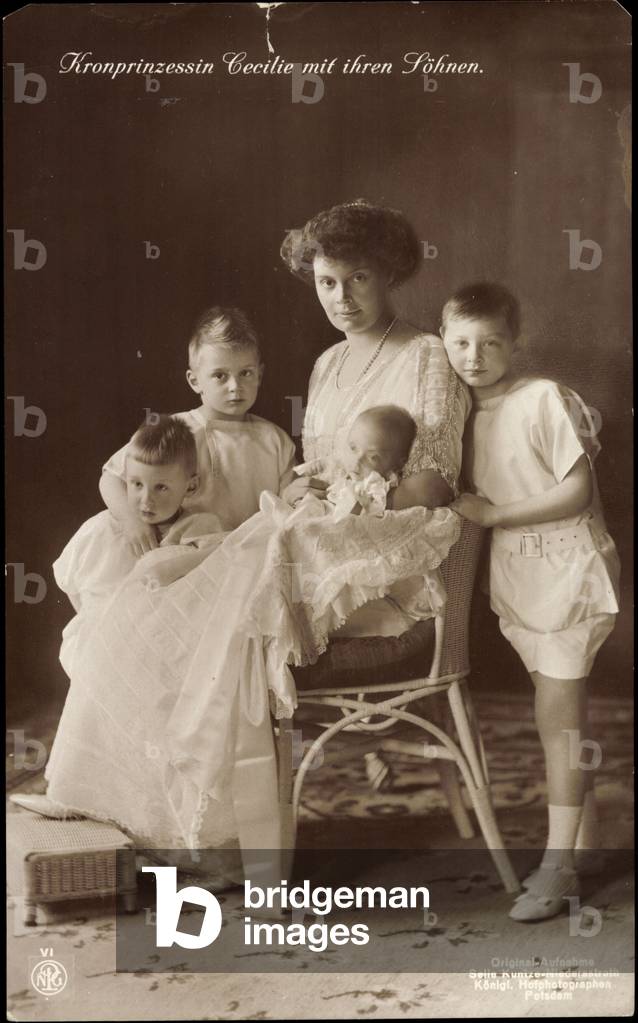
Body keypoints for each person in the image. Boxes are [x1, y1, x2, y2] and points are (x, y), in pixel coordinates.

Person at [441, 281, 620, 922]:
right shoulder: (460, 415)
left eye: (490, 342)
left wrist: (492, 514)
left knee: (557, 719)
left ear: (514, 344)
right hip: (518, 576)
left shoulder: (541, 398)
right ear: (444, 343)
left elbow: (576, 490)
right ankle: (589, 836)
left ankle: (558, 865)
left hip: (568, 565)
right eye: (460, 342)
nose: (474, 356)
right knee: (563, 715)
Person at [280, 198, 470, 639]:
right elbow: (321, 469)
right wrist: (294, 490)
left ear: (389, 274)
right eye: (326, 282)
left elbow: (436, 482)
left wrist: (347, 508)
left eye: (357, 278)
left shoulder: (426, 355)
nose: (341, 298)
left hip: (386, 570)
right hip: (320, 547)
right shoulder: (326, 364)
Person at [100, 305, 296, 542]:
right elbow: (111, 478)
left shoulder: (274, 439)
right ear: (195, 381)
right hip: (183, 552)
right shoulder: (176, 431)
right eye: (220, 376)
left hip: (248, 555)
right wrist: (133, 521)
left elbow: (289, 500)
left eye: (245, 373)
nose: (235, 386)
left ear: (260, 375)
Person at [52, 415, 224, 676]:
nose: (146, 500)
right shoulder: (103, 529)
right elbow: (70, 582)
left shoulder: (198, 528)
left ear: (191, 486)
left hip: (164, 648)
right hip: (105, 641)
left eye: (161, 488)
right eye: (137, 484)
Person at [294, 404, 417, 520]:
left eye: (373, 457)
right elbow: (322, 467)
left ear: (396, 465)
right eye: (353, 448)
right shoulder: (344, 470)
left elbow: (363, 518)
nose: (357, 460)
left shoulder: (377, 489)